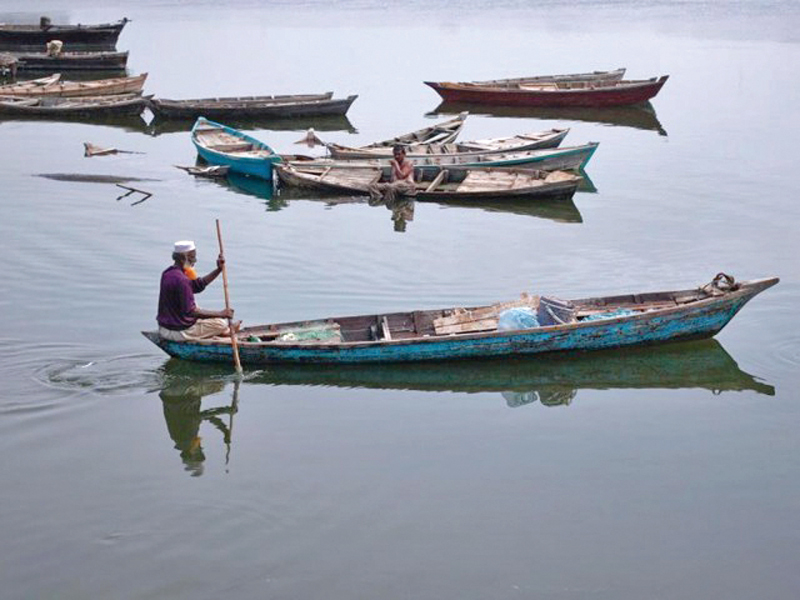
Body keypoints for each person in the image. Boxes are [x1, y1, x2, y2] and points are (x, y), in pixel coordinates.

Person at [157, 240, 236, 341]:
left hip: (165, 328)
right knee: (221, 324)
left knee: (214, 319)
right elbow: (191, 311)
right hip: (177, 332)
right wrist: (222, 314)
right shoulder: (182, 280)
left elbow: (197, 286)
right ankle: (225, 332)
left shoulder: (167, 273)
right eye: (192, 257)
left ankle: (223, 332)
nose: (194, 260)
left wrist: (218, 270)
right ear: (183, 258)